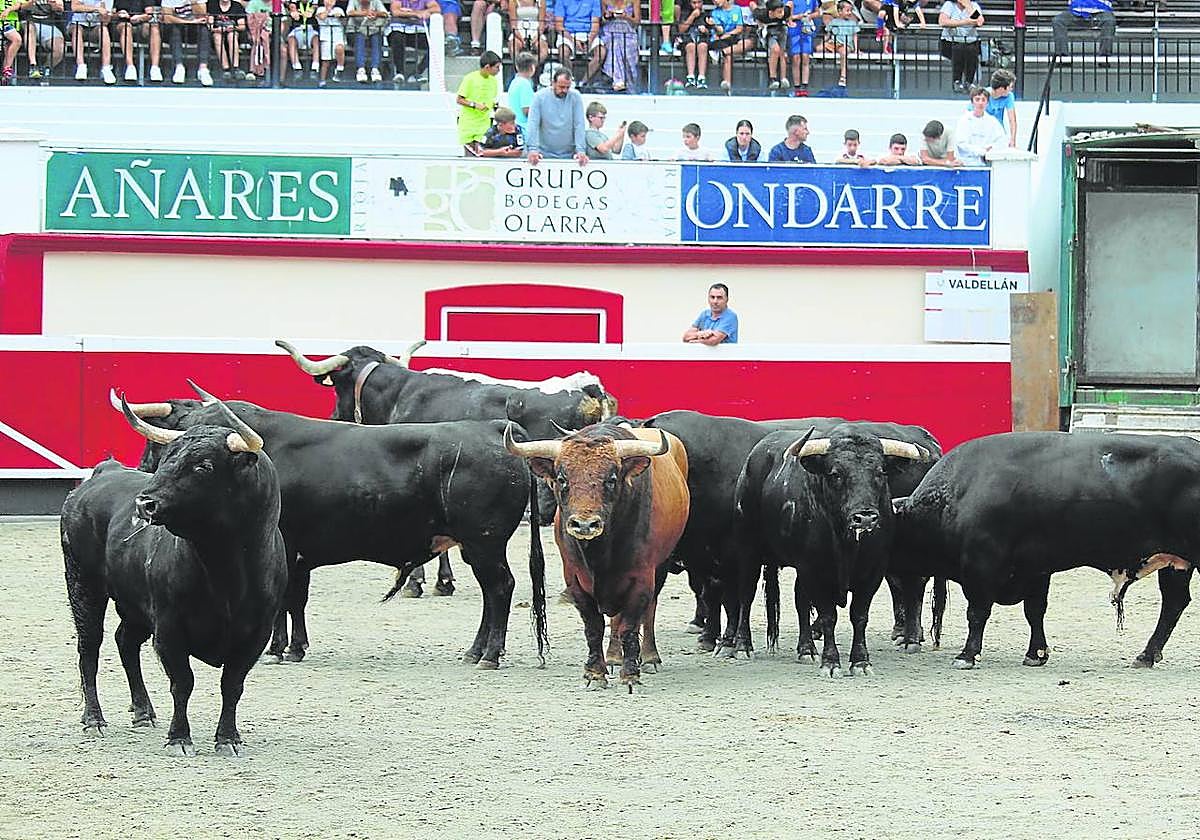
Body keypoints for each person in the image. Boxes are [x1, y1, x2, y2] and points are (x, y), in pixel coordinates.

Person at [526, 66, 588, 166]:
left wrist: (581, 150)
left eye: (567, 87)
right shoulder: (539, 97)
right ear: (553, 83)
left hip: (569, 154)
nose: (565, 90)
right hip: (543, 154)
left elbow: (579, 124)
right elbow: (533, 124)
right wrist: (533, 149)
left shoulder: (576, 97)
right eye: (561, 87)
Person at [456, 49, 502, 153]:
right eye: (497, 67)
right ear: (487, 67)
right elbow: (459, 99)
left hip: (484, 124)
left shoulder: (494, 81)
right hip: (469, 123)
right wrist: (474, 105)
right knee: (469, 153)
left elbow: (492, 100)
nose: (498, 70)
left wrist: (497, 108)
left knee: (482, 152)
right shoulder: (470, 79)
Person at [593, 0, 639, 92]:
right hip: (609, 30)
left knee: (624, 44)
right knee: (615, 43)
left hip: (628, 31)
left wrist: (626, 17)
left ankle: (624, 82)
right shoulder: (604, 1)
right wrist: (607, 16)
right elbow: (601, 21)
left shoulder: (634, 1)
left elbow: (637, 21)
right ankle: (619, 81)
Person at [163, 0, 212, 85]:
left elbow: (202, 16)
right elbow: (167, 18)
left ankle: (203, 69)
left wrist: (193, 2)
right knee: (174, 29)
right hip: (177, 26)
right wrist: (189, 21)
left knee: (204, 30)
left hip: (194, 28)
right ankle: (179, 67)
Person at [955, 85, 1006, 166]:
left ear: (987, 103)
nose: (980, 103)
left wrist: (990, 150)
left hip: (987, 164)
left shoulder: (993, 121)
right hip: (968, 163)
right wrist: (980, 151)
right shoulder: (964, 120)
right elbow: (961, 144)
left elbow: (1001, 140)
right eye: (977, 99)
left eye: (983, 100)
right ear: (972, 102)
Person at [938, 0, 982, 94]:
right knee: (959, 48)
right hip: (950, 42)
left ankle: (969, 82)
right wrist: (966, 22)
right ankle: (957, 81)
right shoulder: (949, 5)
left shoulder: (973, 6)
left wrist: (968, 6)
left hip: (970, 42)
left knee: (971, 50)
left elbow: (979, 21)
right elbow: (942, 21)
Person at [388, 0, 436, 84]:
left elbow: (436, 8)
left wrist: (425, 12)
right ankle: (400, 73)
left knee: (434, 46)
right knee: (397, 39)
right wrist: (415, 14)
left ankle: (417, 73)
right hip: (398, 30)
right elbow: (395, 11)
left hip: (418, 31)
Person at [70, 0, 115, 83]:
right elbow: (75, 7)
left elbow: (106, 22)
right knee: (76, 30)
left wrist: (104, 13)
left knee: (103, 29)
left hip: (96, 27)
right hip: (78, 24)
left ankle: (106, 67)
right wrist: (96, 9)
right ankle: (81, 65)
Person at [109, 0, 155, 81]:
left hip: (140, 23)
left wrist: (140, 17)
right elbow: (110, 14)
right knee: (126, 27)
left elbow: (149, 14)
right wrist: (118, 14)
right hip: (120, 25)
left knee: (152, 27)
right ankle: (130, 66)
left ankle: (155, 68)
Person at [346, 0, 388, 82]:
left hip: (373, 30)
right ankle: (361, 69)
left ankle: (375, 69)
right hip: (354, 31)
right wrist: (365, 13)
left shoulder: (376, 1)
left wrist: (376, 14)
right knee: (359, 37)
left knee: (377, 38)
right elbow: (349, 12)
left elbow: (385, 13)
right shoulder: (353, 1)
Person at [24, 0, 66, 80]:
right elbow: (20, 7)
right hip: (29, 21)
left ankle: (45, 69)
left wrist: (54, 6)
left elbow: (60, 9)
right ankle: (33, 66)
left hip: (48, 24)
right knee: (30, 28)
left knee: (59, 48)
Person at [708, 0, 744, 91]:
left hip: (732, 38)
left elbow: (739, 28)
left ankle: (724, 52)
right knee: (728, 54)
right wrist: (715, 25)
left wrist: (728, 35)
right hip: (720, 40)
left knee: (745, 43)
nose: (715, 1)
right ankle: (726, 83)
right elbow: (720, 31)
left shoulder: (737, 9)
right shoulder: (715, 12)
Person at [754, 0, 790, 90]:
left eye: (782, 11)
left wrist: (790, 19)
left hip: (781, 29)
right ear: (771, 12)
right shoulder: (762, 14)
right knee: (775, 49)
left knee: (782, 53)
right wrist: (761, 26)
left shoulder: (785, 12)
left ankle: (783, 78)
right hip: (769, 30)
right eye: (778, 12)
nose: (781, 13)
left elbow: (790, 5)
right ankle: (772, 78)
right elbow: (755, 14)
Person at [208, 0, 247, 81]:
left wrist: (233, 28)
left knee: (232, 36)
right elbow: (210, 25)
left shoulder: (237, 6)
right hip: (217, 32)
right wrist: (216, 29)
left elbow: (242, 26)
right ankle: (225, 69)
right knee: (217, 37)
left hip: (232, 32)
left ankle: (236, 67)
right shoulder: (213, 5)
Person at [554, 0, 599, 69]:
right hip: (567, 34)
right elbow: (559, 26)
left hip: (588, 33)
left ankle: (584, 80)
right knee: (563, 53)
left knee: (601, 53)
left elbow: (595, 25)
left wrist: (589, 40)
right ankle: (571, 78)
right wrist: (573, 41)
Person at [281, 0, 319, 82]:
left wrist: (312, 10)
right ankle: (297, 68)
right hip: (297, 29)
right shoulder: (294, 2)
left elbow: (315, 6)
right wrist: (293, 11)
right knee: (291, 40)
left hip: (310, 29)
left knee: (316, 39)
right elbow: (291, 7)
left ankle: (315, 68)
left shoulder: (313, 2)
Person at [825, 0, 857, 88]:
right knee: (819, 48)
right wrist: (823, 43)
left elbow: (855, 37)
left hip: (845, 45)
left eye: (851, 10)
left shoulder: (853, 23)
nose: (849, 13)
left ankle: (843, 76)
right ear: (839, 11)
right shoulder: (834, 22)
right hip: (834, 43)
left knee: (843, 52)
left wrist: (856, 49)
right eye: (847, 10)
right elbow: (828, 35)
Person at [790, 0, 818, 95]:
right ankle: (796, 87)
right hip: (794, 29)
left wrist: (809, 16)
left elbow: (818, 12)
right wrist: (798, 17)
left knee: (806, 57)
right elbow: (785, 15)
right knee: (796, 58)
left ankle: (805, 86)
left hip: (806, 30)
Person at [678, 0, 708, 87]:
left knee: (703, 46)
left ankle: (701, 78)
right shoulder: (684, 13)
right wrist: (693, 16)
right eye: (694, 3)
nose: (697, 5)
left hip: (702, 40)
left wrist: (705, 30)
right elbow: (681, 29)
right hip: (687, 39)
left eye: (699, 2)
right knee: (691, 46)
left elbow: (710, 31)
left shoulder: (706, 15)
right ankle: (690, 77)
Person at [316, 0, 346, 85]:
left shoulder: (339, 10)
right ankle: (322, 80)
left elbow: (345, 22)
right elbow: (321, 17)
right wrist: (328, 10)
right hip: (326, 37)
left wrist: (340, 17)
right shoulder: (320, 9)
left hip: (338, 36)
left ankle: (340, 69)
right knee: (326, 61)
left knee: (339, 48)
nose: (329, 2)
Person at [987, 67, 1017, 147]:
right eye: (1010, 87)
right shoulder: (982, 95)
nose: (1011, 89)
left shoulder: (1009, 96)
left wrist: (1012, 140)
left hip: (998, 132)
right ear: (1001, 88)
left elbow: (1012, 120)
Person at [507, 51, 537, 133]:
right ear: (532, 67)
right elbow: (527, 110)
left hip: (515, 126)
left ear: (517, 67)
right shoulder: (525, 84)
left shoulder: (514, 82)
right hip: (524, 129)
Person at [0, 0, 19, 85]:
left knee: (16, 40)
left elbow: (21, 4)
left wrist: (8, 9)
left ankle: (6, 70)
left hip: (10, 24)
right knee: (6, 47)